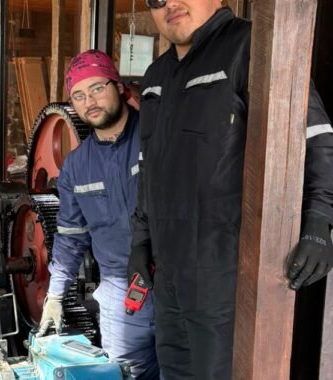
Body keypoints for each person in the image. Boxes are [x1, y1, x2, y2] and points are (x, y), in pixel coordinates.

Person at [129, 1, 333, 378]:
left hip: (225, 278)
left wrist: (320, 220)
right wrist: (141, 242)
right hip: (169, 276)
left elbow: (316, 136)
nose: (170, 4)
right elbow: (148, 168)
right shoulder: (156, 75)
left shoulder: (252, 48)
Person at [37, 50, 160, 380]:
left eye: (97, 88)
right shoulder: (77, 167)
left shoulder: (157, 136)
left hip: (174, 284)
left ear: (118, 86)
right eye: (78, 95)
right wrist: (55, 295)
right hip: (123, 296)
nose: (89, 100)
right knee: (125, 375)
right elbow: (69, 236)